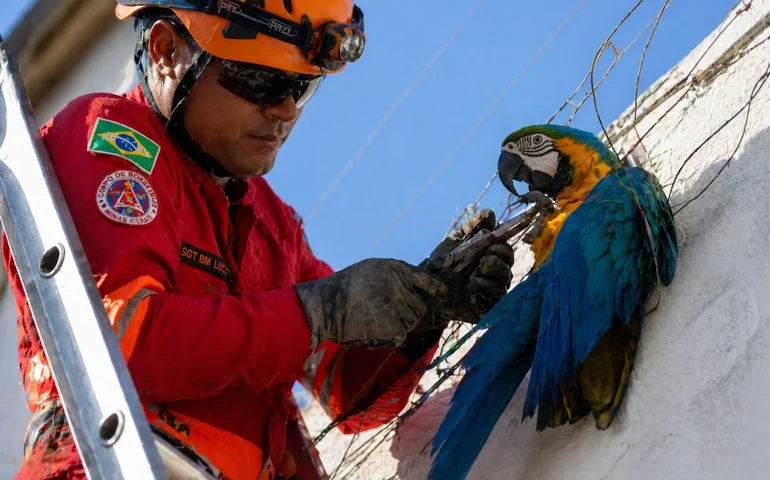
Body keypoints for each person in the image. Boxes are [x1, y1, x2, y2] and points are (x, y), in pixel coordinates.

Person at [1, 1, 516, 479]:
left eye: (300, 85)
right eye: (259, 79)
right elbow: (122, 342)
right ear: (165, 51)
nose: (286, 110)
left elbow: (348, 392)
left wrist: (425, 311)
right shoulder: (111, 137)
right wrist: (317, 312)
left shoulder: (268, 220)